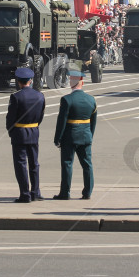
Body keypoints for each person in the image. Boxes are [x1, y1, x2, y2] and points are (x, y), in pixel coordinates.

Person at [52, 64, 97, 200]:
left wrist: (57, 138)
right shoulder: (91, 100)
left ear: (72, 82)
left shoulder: (66, 100)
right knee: (87, 165)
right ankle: (87, 192)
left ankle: (65, 193)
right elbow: (93, 122)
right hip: (85, 136)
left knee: (67, 164)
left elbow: (62, 121)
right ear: (82, 82)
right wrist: (90, 135)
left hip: (69, 136)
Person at [6, 67, 46, 203]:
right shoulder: (40, 96)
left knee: (20, 164)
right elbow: (40, 117)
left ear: (18, 81)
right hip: (34, 132)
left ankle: (25, 194)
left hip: (19, 133)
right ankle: (36, 192)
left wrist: (11, 131)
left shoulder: (16, 97)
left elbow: (10, 118)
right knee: (34, 163)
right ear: (30, 80)